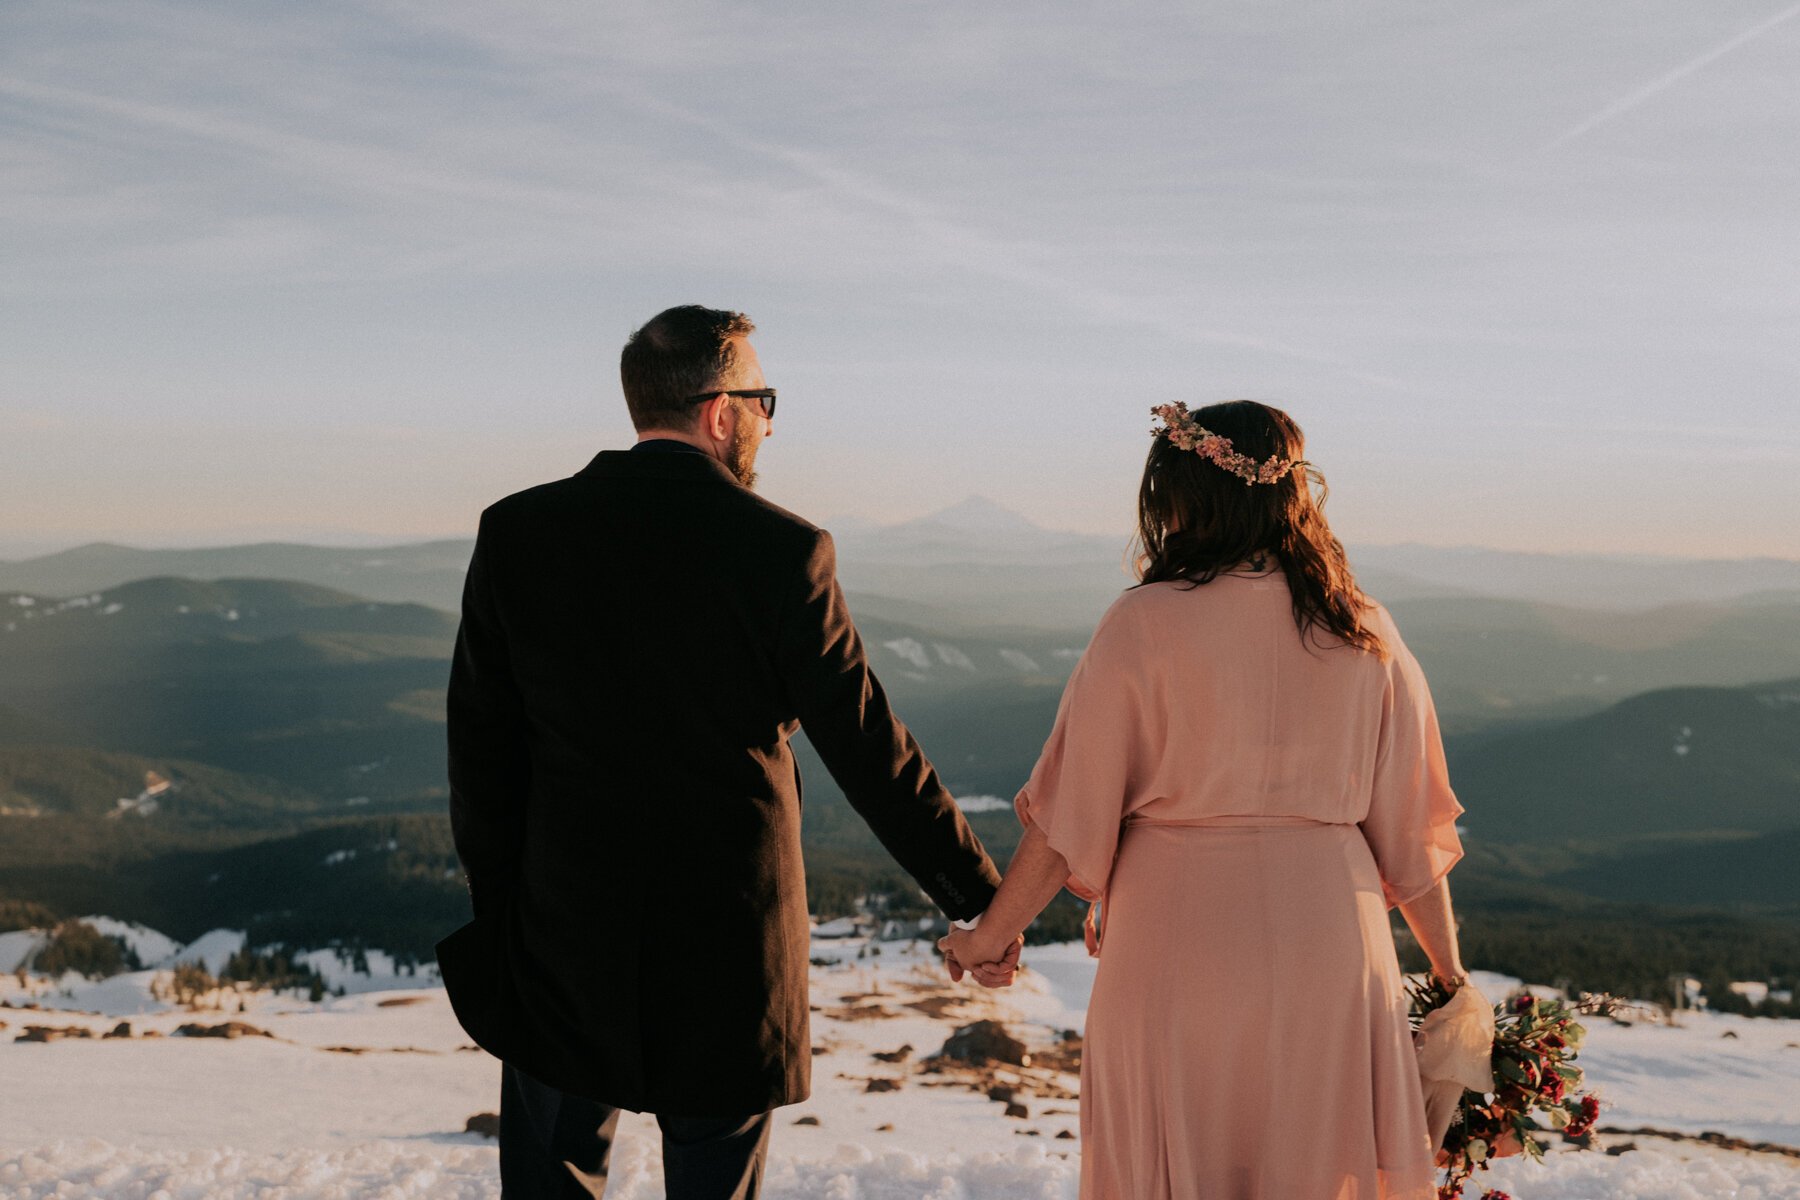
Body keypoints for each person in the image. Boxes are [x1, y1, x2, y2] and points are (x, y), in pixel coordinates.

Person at [435, 304, 1016, 1199]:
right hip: (729, 954)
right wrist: (984, 900)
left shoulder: (518, 532)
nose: (769, 421)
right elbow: (871, 753)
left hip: (560, 940)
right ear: (719, 411)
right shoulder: (783, 553)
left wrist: (509, 912)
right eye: (764, 398)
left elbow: (481, 751)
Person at [941, 400, 1467, 1200]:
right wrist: (1449, 973)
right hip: (1331, 944)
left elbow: (1068, 821)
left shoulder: (1141, 623)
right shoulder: (1365, 630)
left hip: (1173, 946)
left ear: (1185, 498)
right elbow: (1410, 839)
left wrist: (990, 939)